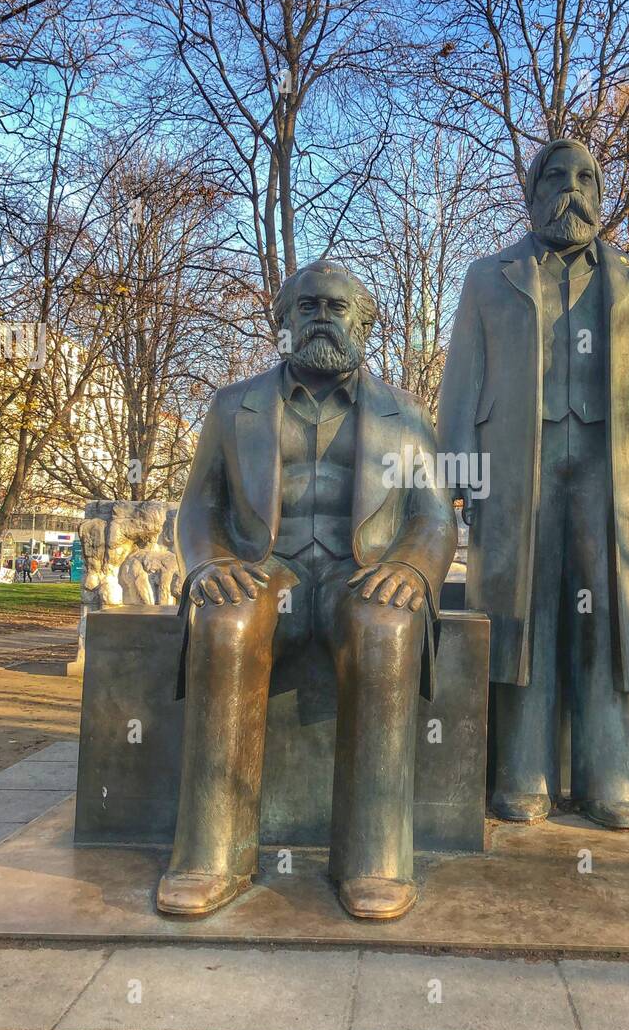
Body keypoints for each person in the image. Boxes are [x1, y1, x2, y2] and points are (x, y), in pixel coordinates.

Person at [157, 259, 456, 922]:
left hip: (361, 572)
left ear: (366, 323)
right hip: (270, 570)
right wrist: (207, 565)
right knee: (226, 620)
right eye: (308, 305)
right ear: (281, 321)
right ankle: (213, 856)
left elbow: (434, 518)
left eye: (338, 306)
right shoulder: (232, 407)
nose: (323, 316)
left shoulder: (404, 414)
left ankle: (373, 860)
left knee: (385, 624)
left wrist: (410, 569)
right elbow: (199, 507)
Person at [438, 138, 629, 830]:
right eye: (556, 175)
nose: (571, 189)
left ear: (601, 196)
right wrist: (453, 471)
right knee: (522, 613)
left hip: (615, 466)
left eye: (585, 178)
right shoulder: (488, 277)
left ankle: (609, 778)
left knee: (609, 614)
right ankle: (521, 774)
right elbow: (462, 376)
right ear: (530, 193)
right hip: (514, 461)